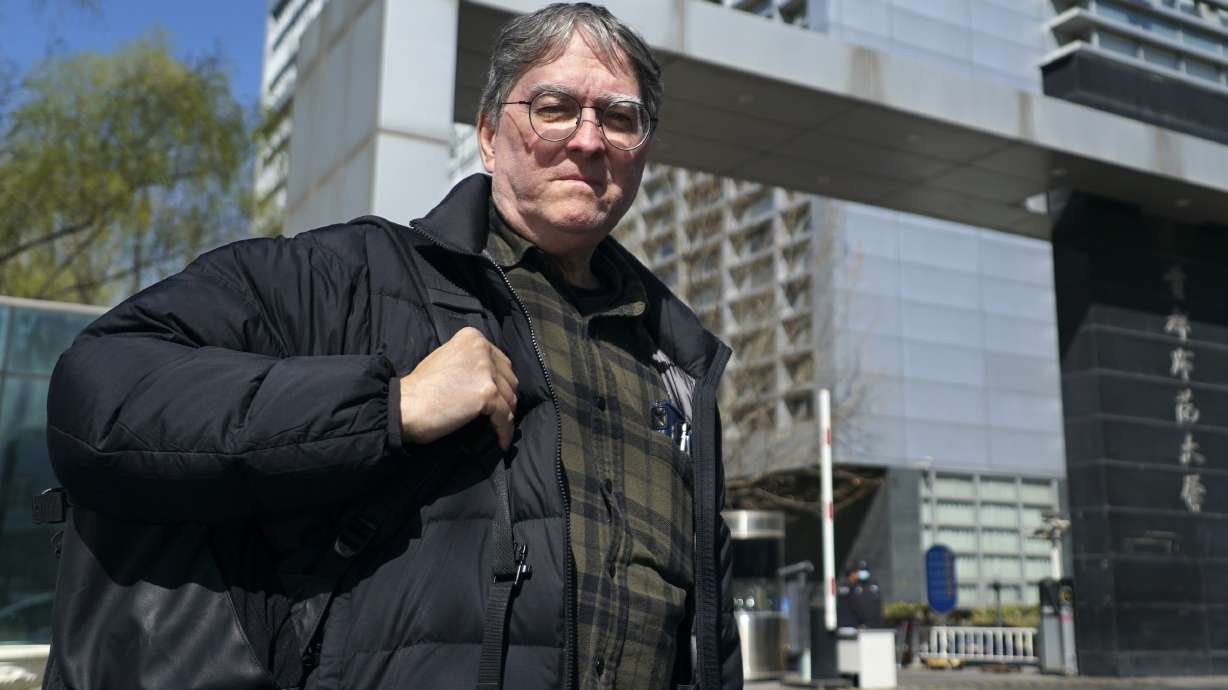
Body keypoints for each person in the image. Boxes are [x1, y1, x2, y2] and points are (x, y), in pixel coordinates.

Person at [42, 3, 742, 689]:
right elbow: (100, 391)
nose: (589, 140)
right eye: (555, 107)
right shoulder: (352, 278)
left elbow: (707, 635)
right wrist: (388, 405)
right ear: (490, 135)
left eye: (619, 118)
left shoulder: (678, 365)